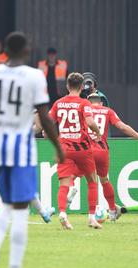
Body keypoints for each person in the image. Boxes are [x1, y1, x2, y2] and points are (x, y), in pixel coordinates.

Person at [0, 31, 64, 268]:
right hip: (21, 147)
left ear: (5, 49)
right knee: (21, 210)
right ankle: (14, 266)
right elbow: (45, 118)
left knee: (7, 205)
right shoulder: (34, 76)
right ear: (26, 50)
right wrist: (58, 147)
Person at [66, 93, 138, 221]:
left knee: (71, 176)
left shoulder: (84, 111)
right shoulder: (108, 111)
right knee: (104, 180)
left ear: (88, 103)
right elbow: (122, 127)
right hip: (102, 151)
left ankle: (73, 189)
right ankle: (112, 210)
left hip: (87, 151)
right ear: (101, 103)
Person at [48, 72, 103, 230]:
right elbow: (90, 121)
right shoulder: (84, 103)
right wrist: (98, 132)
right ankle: (92, 218)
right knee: (92, 181)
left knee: (64, 184)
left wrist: (46, 132)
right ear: (81, 87)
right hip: (83, 149)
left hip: (64, 148)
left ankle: (63, 213)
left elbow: (49, 122)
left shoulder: (58, 103)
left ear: (67, 86)